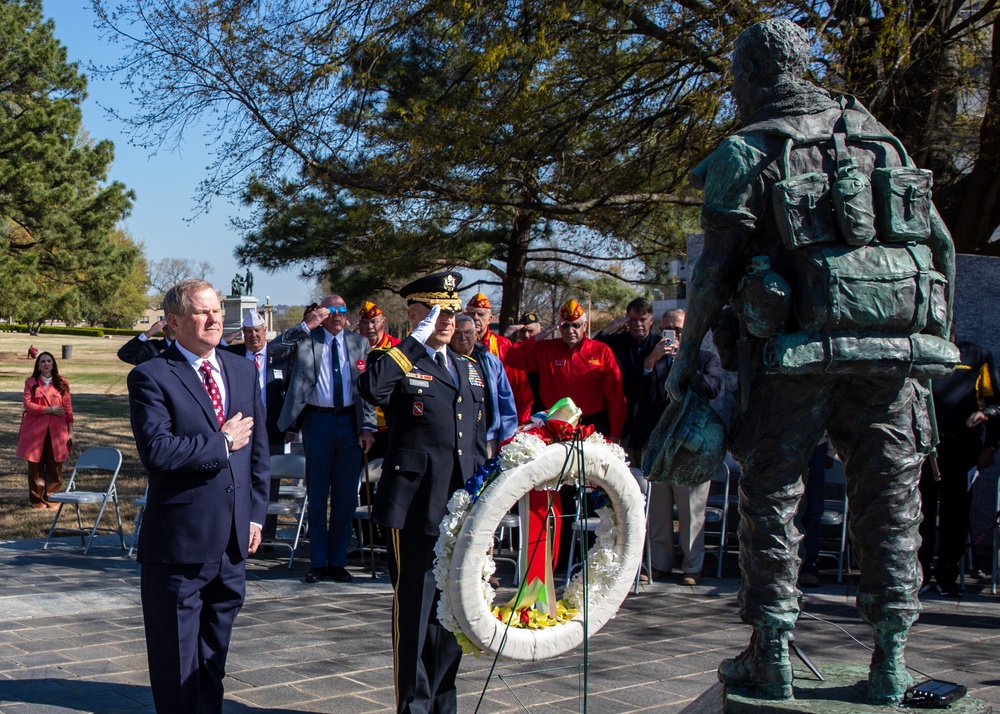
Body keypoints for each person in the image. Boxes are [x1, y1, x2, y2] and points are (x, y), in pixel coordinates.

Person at [665, 19, 956, 704]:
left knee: (773, 497)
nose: (735, 87)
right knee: (892, 503)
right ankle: (891, 658)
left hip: (789, 358)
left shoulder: (748, 150)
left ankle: (771, 651)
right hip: (891, 358)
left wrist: (687, 358)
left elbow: (713, 274)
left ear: (756, 73)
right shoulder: (877, 136)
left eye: (737, 73)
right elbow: (938, 246)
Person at [126, 279, 270, 713]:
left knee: (213, 660)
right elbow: (159, 453)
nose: (215, 319)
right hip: (179, 546)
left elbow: (258, 451)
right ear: (173, 322)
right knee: (176, 663)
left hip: (232, 544)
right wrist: (220, 442)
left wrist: (255, 516)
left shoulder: (242, 369)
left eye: (217, 311)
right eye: (202, 312)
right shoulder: (151, 375)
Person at [358, 271, 487, 714]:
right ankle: (413, 707)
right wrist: (413, 342)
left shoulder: (469, 368)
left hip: (458, 508)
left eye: (451, 310)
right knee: (415, 613)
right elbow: (372, 390)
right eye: (435, 310)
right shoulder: (397, 359)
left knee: (454, 612)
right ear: (413, 314)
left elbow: (475, 441)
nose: (446, 319)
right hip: (413, 506)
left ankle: (442, 704)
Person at [271, 294, 377, 584]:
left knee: (345, 496)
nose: (337, 315)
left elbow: (365, 392)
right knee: (317, 495)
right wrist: (305, 326)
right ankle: (317, 562)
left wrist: (368, 427)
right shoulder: (307, 339)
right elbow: (273, 350)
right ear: (321, 313)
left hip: (349, 424)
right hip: (317, 421)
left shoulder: (359, 344)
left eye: (342, 310)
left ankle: (338, 561)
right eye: (331, 310)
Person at [631, 309, 722, 585]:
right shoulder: (652, 358)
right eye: (669, 329)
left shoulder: (704, 359)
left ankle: (692, 567)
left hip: (689, 448)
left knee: (691, 511)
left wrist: (685, 364)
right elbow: (632, 387)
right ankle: (659, 563)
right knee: (657, 511)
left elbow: (713, 388)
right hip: (657, 446)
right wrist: (651, 361)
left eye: (680, 329)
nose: (675, 335)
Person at [918, 335, 1000, 596]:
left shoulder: (977, 355)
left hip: (962, 448)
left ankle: (946, 578)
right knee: (920, 514)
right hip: (924, 448)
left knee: (956, 514)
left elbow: (995, 403)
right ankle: (918, 577)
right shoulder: (920, 350)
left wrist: (990, 445)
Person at [505, 298, 626, 439]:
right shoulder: (546, 349)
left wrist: (615, 434)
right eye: (565, 326)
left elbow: (616, 397)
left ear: (584, 326)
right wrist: (539, 337)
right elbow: (511, 359)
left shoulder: (601, 351)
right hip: (554, 425)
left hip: (593, 425)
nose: (570, 330)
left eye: (575, 325)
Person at [221, 309, 289, 543]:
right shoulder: (232, 355)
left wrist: (292, 424)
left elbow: (292, 393)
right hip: (242, 428)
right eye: (248, 332)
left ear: (265, 332)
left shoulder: (280, 358)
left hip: (274, 430)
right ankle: (238, 531)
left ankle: (265, 535)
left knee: (269, 482)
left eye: (257, 331)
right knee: (240, 479)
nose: (253, 336)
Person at [596, 297, 661, 450]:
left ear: (651, 320)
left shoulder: (660, 346)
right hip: (620, 423)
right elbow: (592, 350)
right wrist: (608, 328)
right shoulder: (615, 343)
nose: (637, 324)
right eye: (632, 320)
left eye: (642, 319)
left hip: (650, 425)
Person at [454, 314, 517, 455]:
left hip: (488, 439)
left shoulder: (491, 362)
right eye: (457, 333)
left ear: (476, 335)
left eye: (468, 333)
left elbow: (506, 404)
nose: (462, 337)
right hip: (456, 441)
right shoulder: (445, 362)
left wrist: (506, 442)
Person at [17, 352, 74, 509]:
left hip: (57, 431)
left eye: (49, 361)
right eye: (43, 361)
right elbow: (28, 405)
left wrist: (70, 430)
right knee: (35, 466)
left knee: (54, 464)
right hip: (35, 430)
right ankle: (37, 499)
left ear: (53, 364)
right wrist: (50, 409)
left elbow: (68, 408)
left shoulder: (62, 382)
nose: (46, 364)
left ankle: (52, 497)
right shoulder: (31, 382)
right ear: (38, 365)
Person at [466, 292, 533, 422]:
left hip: (495, 418)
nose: (475, 318)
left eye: (480, 314)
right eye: (471, 313)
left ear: (490, 319)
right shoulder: (455, 342)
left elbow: (521, 389)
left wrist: (520, 422)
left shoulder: (503, 345)